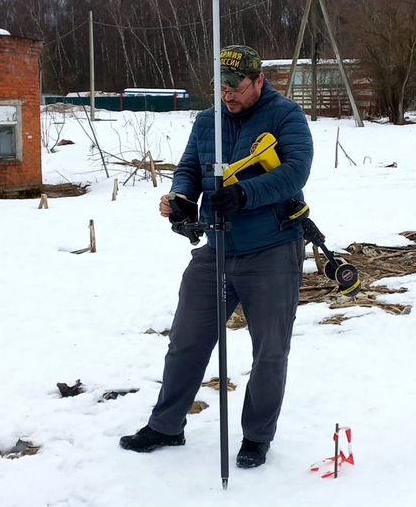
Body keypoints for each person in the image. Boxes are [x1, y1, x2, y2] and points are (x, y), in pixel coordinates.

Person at [119, 45, 313, 469]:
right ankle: (167, 425)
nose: (228, 95)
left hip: (273, 248)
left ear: (259, 80)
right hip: (217, 247)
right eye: (221, 86)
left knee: (269, 351)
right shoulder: (209, 121)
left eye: (237, 87)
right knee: (186, 338)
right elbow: (189, 167)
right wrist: (183, 199)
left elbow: (295, 170)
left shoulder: (285, 117)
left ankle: (257, 437)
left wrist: (245, 193)